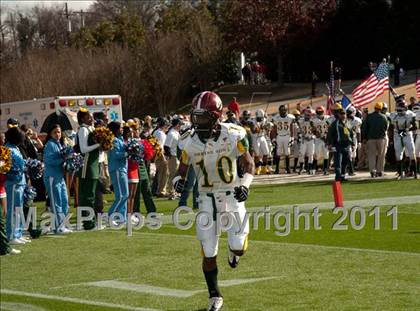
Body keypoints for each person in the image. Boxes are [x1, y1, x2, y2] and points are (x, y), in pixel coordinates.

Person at [172, 91, 255, 311]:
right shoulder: (188, 141)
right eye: (195, 116)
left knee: (238, 248)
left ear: (216, 117)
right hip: (206, 199)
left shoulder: (235, 134)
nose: (197, 122)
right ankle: (214, 295)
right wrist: (177, 182)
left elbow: (249, 164)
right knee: (208, 251)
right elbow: (180, 170)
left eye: (203, 117)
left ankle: (233, 251)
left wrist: (245, 186)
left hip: (232, 195)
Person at [43, 124, 72, 234]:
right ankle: (58, 226)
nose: (57, 134)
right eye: (55, 132)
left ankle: (63, 224)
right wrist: (63, 159)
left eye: (59, 132)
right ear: (50, 134)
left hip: (59, 176)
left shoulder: (59, 144)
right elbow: (49, 161)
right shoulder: (50, 144)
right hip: (52, 177)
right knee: (57, 201)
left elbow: (62, 159)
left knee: (64, 200)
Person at [76, 108, 101, 230]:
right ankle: (88, 222)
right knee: (87, 195)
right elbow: (83, 149)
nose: (91, 119)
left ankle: (91, 219)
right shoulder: (83, 130)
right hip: (87, 165)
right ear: (82, 119)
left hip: (94, 164)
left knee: (92, 194)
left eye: (91, 116)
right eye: (88, 117)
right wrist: (98, 145)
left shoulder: (91, 129)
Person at [4, 127, 28, 245]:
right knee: (12, 209)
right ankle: (11, 235)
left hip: (20, 182)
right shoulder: (7, 149)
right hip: (13, 183)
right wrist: (16, 171)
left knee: (18, 209)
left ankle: (17, 233)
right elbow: (4, 168)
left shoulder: (16, 148)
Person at [0, 133, 21, 255]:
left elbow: (4, 169)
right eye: (1, 139)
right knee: (1, 221)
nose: (3, 140)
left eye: (4, 139)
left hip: (2, 187)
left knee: (3, 217)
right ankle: (5, 247)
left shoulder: (4, 151)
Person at [107, 121, 129, 224]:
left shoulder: (120, 139)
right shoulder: (113, 140)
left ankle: (121, 217)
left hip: (122, 169)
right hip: (116, 169)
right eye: (120, 128)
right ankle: (111, 216)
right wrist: (128, 153)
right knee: (120, 195)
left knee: (125, 194)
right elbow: (116, 154)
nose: (122, 129)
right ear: (115, 130)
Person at [389, 101, 417, 179]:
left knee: (412, 152)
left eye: (401, 110)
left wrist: (406, 130)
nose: (399, 112)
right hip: (397, 135)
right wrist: (391, 137)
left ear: (405, 108)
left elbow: (415, 126)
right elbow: (391, 127)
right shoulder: (393, 115)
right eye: (398, 110)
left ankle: (414, 173)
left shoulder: (410, 115)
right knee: (398, 154)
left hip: (407, 134)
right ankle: (399, 173)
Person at [361, 102, 389, 178]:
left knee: (371, 156)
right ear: (381, 109)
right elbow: (386, 127)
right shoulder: (384, 117)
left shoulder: (369, 117)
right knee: (381, 155)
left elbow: (364, 128)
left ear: (375, 108)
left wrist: (364, 138)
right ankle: (380, 171)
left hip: (370, 139)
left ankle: (372, 171)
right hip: (381, 139)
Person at [327, 108, 353, 181]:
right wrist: (330, 144)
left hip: (346, 145)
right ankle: (338, 176)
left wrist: (352, 143)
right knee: (338, 161)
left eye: (344, 114)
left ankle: (342, 175)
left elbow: (351, 133)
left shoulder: (347, 122)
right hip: (337, 145)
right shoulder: (335, 123)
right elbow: (330, 134)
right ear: (338, 115)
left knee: (345, 161)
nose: (343, 115)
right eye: (341, 114)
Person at [271, 105, 295, 174]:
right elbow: (274, 129)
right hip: (279, 136)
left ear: (286, 110)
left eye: (284, 110)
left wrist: (292, 137)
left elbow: (291, 128)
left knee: (287, 153)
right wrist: (274, 139)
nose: (283, 111)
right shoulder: (276, 118)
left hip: (287, 136)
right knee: (278, 153)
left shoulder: (290, 117)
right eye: (281, 110)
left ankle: (288, 168)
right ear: (279, 110)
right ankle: (277, 169)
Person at [164, 118, 182, 200]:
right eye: (180, 124)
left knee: (176, 175)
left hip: (177, 156)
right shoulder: (171, 133)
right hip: (173, 156)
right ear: (177, 124)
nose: (180, 126)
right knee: (172, 174)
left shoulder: (176, 132)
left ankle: (174, 191)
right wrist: (169, 156)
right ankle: (171, 192)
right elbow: (166, 146)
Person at [152, 118, 169, 197]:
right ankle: (161, 191)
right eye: (167, 125)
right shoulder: (161, 134)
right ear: (164, 125)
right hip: (160, 155)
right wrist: (163, 158)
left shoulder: (156, 132)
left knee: (159, 173)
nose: (168, 127)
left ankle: (157, 190)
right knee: (163, 173)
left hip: (157, 155)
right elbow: (160, 147)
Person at [312, 106, 330, 175]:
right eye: (318, 112)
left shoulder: (328, 118)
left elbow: (330, 129)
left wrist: (327, 136)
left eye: (321, 112)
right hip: (318, 139)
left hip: (326, 138)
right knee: (317, 153)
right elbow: (314, 131)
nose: (319, 113)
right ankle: (313, 168)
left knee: (326, 154)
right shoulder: (314, 120)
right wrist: (322, 137)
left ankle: (325, 169)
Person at [298, 108, 316, 175]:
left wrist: (312, 136)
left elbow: (316, 132)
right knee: (301, 153)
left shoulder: (313, 122)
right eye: (306, 115)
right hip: (304, 139)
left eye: (309, 115)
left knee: (311, 154)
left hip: (311, 139)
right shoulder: (301, 121)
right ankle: (301, 167)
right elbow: (299, 129)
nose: (307, 116)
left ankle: (310, 168)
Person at [345, 107, 362, 175]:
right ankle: (350, 169)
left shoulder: (357, 120)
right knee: (348, 154)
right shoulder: (345, 120)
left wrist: (359, 141)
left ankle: (351, 169)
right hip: (346, 139)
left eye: (350, 113)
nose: (349, 114)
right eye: (348, 113)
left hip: (354, 138)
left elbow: (358, 131)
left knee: (353, 154)